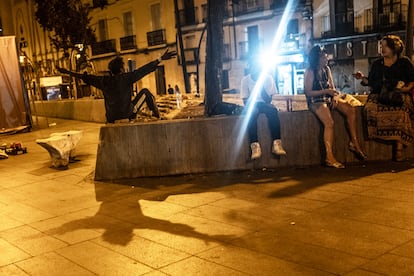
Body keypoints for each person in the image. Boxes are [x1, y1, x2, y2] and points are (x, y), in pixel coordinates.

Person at [57, 49, 176, 123]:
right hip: (127, 114)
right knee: (145, 92)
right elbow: (145, 70)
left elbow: (83, 77)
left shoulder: (104, 81)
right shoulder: (127, 77)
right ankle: (157, 116)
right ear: (121, 69)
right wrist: (160, 59)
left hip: (111, 117)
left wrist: (66, 72)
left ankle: (153, 115)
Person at [304, 45, 367, 169]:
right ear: (317, 58)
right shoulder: (310, 71)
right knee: (329, 123)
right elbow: (308, 92)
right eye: (323, 57)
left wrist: (335, 97)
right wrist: (326, 92)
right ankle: (329, 157)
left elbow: (333, 88)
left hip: (328, 98)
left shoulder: (327, 69)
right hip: (315, 100)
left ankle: (354, 142)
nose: (326, 58)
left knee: (350, 109)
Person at [353, 35, 414, 161]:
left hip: (399, 94)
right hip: (380, 94)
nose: (382, 48)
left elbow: (412, 79)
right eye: (382, 46)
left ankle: (399, 148)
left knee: (402, 112)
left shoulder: (404, 62)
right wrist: (362, 78)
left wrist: (406, 89)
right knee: (369, 108)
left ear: (394, 48)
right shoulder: (377, 64)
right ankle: (377, 137)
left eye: (385, 46)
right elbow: (371, 82)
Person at [240, 62, 286, 160]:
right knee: (252, 113)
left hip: (264, 104)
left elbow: (268, 100)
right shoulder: (245, 80)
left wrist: (259, 86)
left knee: (273, 111)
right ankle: (255, 146)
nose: (256, 69)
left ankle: (277, 143)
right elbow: (245, 101)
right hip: (252, 105)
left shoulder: (268, 78)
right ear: (250, 67)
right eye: (254, 67)